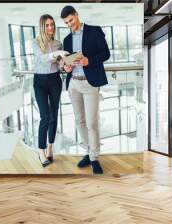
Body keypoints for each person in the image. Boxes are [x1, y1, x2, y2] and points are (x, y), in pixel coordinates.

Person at [61, 6, 110, 174]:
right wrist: (66, 67)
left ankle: (95, 158)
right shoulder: (67, 39)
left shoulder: (94, 31)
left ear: (76, 15)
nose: (70, 24)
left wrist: (89, 61)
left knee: (91, 122)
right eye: (66, 23)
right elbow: (66, 62)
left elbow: (106, 53)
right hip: (73, 83)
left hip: (90, 84)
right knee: (79, 121)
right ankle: (88, 153)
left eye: (71, 20)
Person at [33, 14, 69, 167]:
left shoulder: (58, 43)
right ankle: (40, 151)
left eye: (52, 25)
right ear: (42, 26)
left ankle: (50, 148)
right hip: (40, 82)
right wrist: (56, 54)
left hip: (55, 80)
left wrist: (65, 65)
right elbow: (41, 58)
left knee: (53, 116)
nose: (50, 28)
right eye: (47, 25)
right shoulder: (35, 42)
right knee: (45, 117)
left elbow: (60, 64)